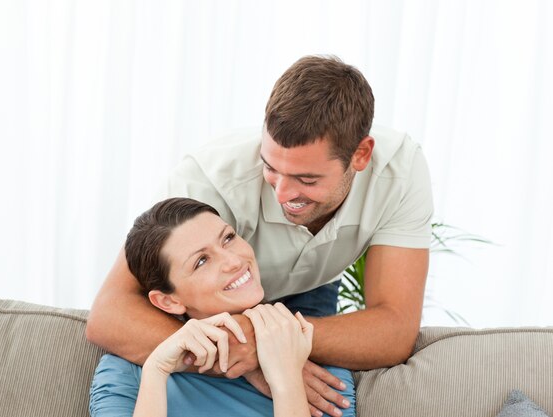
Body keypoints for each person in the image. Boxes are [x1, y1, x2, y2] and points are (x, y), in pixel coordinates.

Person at [87, 55, 433, 417]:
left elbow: (394, 327)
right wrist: (246, 353)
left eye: (307, 179)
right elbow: (110, 314)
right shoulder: (206, 181)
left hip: (310, 299)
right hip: (214, 308)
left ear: (361, 155)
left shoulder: (401, 172)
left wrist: (268, 341)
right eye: (271, 168)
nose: (282, 193)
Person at [89, 197, 354, 417]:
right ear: (169, 301)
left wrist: (286, 381)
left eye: (228, 238)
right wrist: (157, 370)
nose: (233, 261)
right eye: (202, 261)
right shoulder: (129, 374)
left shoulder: (319, 376)